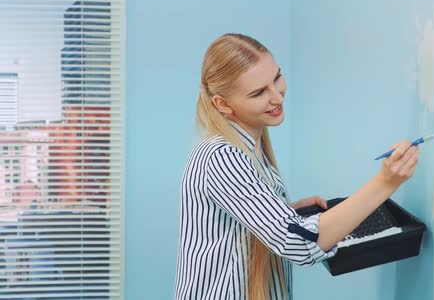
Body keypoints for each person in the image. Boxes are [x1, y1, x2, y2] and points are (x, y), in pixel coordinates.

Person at [174, 33, 419, 300]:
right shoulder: (223, 157)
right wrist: (386, 183)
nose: (276, 97)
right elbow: (299, 244)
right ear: (223, 104)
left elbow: (238, 225)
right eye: (258, 93)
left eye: (277, 78)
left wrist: (282, 212)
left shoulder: (250, 147)